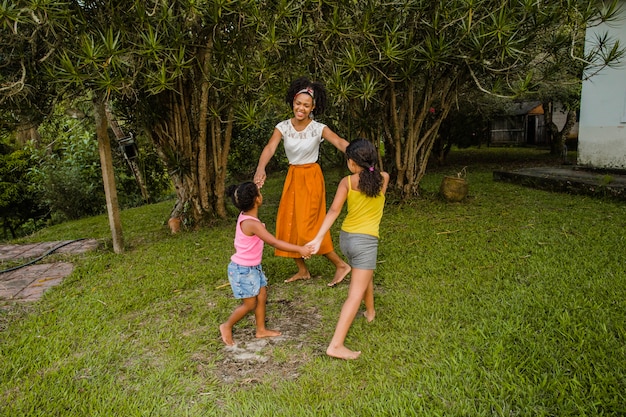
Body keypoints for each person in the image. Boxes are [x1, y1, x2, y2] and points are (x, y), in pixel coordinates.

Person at [253, 77, 351, 286]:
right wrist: (261, 168)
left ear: (313, 107)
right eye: (298, 103)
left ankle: (341, 265)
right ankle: (303, 270)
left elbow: (340, 142)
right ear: (292, 102)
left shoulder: (318, 128)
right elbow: (270, 147)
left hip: (311, 178)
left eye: (306, 105)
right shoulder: (283, 127)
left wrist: (359, 155)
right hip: (293, 177)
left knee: (308, 228)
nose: (301, 108)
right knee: (290, 223)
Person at [308, 139, 390, 360]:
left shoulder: (347, 181)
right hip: (366, 241)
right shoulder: (384, 179)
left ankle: (370, 312)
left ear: (353, 163)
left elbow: (334, 211)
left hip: (347, 239)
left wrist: (317, 238)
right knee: (354, 294)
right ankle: (336, 345)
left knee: (365, 273)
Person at [219, 182, 314, 346]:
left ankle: (261, 330)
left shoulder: (245, 215)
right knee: (250, 304)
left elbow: (250, 196)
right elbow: (275, 243)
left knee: (262, 296)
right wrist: (300, 249)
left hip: (253, 267)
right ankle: (226, 325)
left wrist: (255, 186)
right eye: (259, 193)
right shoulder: (252, 224)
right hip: (243, 270)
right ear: (257, 199)